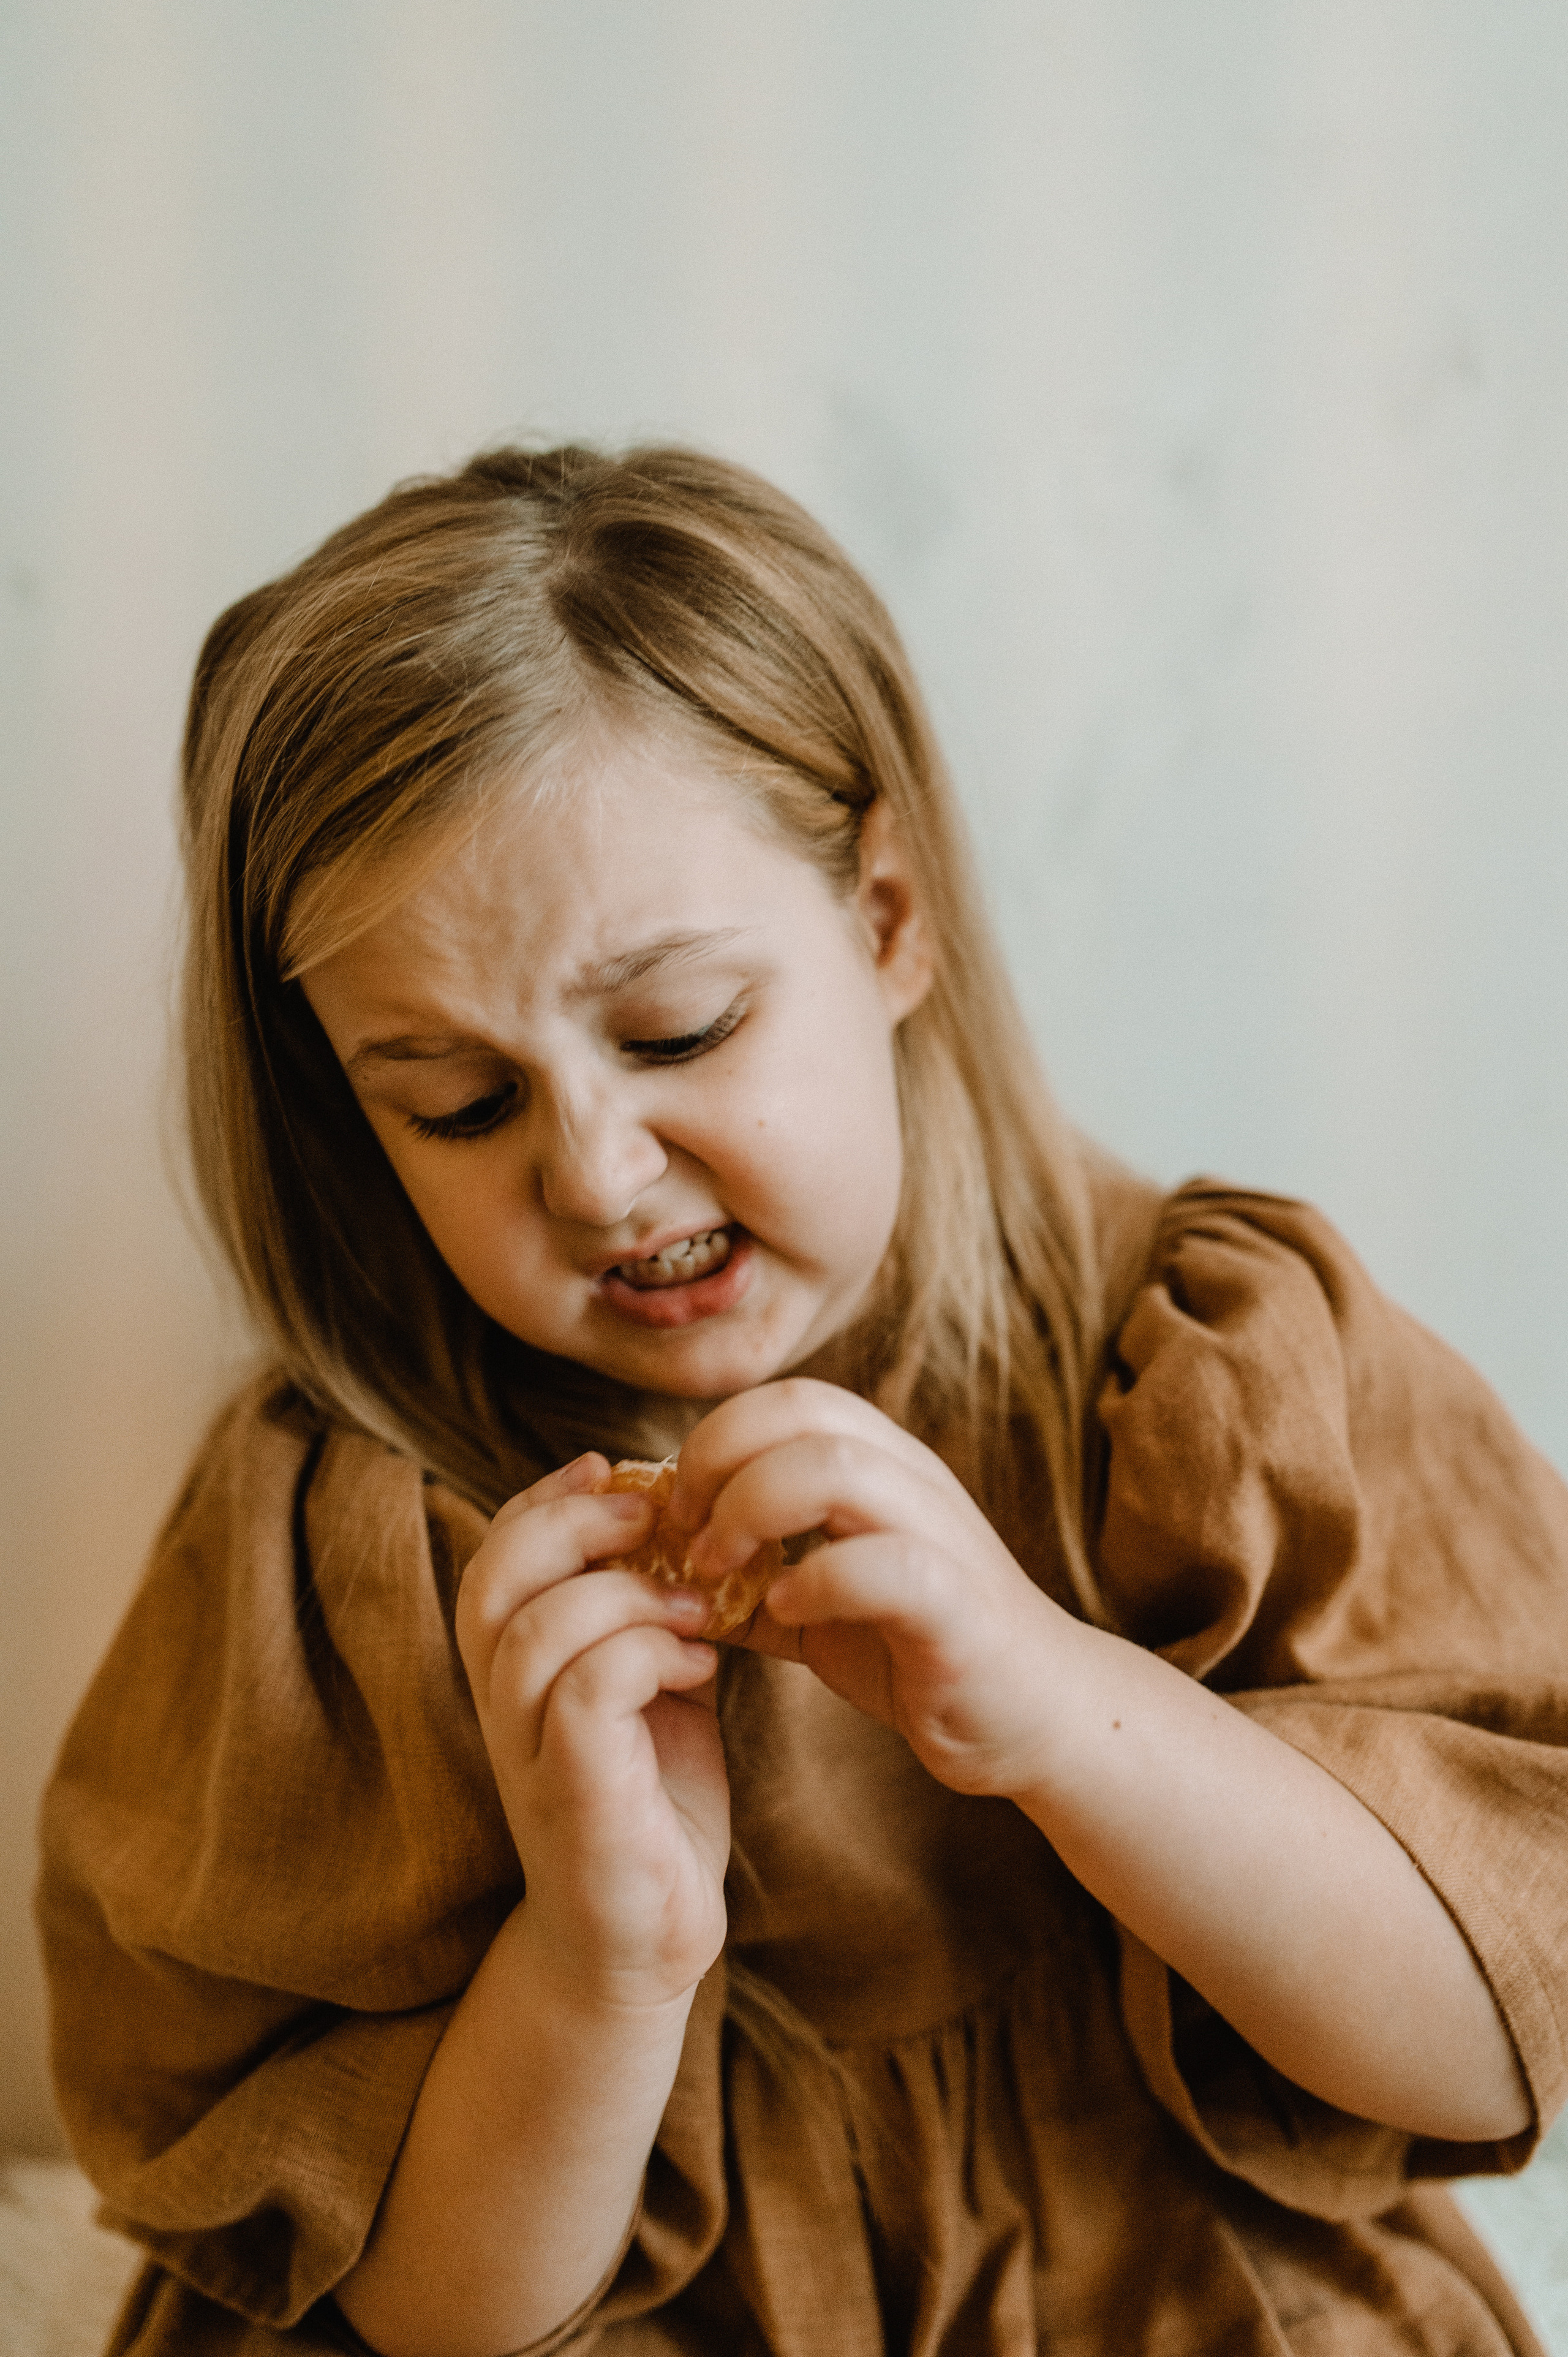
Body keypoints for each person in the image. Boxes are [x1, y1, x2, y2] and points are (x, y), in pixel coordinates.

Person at [37, 445, 1568, 2357]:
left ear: (890, 917)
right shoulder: (346, 1540)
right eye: (455, 1099)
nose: (596, 1174)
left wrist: (1054, 1707)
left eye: (680, 1029)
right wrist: (608, 1952)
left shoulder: (1212, 1363)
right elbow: (412, 2315)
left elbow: (1492, 2046)